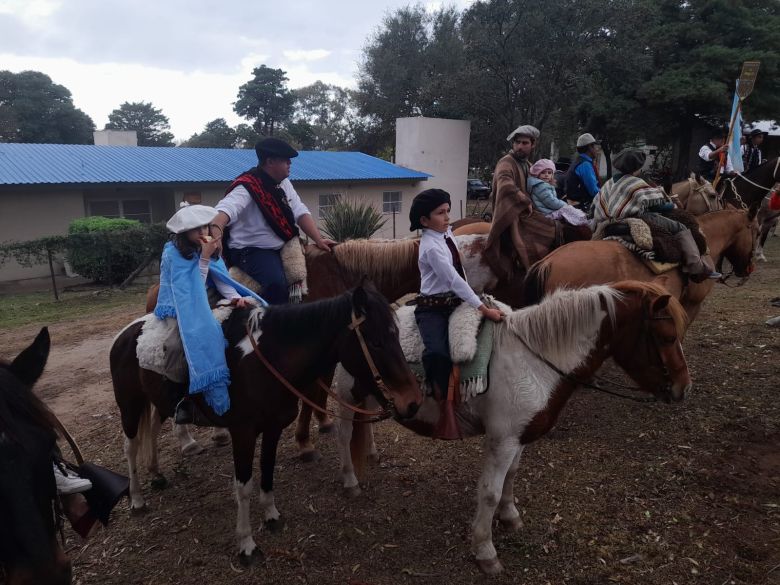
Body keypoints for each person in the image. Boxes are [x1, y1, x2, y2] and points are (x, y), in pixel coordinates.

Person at [154, 204, 264, 424]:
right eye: (196, 229)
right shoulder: (173, 253)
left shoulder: (208, 247)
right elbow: (190, 287)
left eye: (205, 226)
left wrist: (235, 297)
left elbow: (222, 279)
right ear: (183, 232)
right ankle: (180, 399)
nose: (203, 232)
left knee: (250, 318)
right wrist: (204, 258)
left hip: (209, 297)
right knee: (177, 343)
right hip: (180, 302)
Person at [212, 138, 335, 305]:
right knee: (277, 286)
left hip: (283, 245)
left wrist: (318, 239)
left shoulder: (284, 183)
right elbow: (224, 211)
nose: (290, 163)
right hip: (251, 250)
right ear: (270, 161)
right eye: (285, 160)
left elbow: (300, 211)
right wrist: (216, 233)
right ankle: (271, 326)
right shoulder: (246, 187)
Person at [411, 189, 504, 407]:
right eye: (440, 213)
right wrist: (483, 308)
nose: (447, 217)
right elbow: (454, 279)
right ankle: (436, 394)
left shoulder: (447, 234)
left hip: (454, 302)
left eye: (448, 211)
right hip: (433, 308)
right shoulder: (431, 247)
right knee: (437, 352)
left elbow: (459, 267)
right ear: (424, 220)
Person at [593, 149, 721, 281]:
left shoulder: (608, 183)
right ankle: (696, 267)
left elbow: (597, 204)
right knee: (680, 227)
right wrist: (672, 204)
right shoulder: (636, 183)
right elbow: (656, 206)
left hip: (608, 222)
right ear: (637, 167)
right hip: (635, 218)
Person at [484, 125, 558, 281]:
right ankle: (531, 273)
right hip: (512, 213)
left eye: (524, 143)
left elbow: (538, 184)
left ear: (533, 144)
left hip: (526, 210)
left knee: (555, 226)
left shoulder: (529, 165)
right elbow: (505, 184)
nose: (519, 146)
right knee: (536, 234)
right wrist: (524, 200)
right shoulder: (506, 162)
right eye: (517, 142)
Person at [527, 159, 588, 226]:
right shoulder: (541, 186)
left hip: (547, 210)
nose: (546, 175)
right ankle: (582, 221)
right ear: (537, 174)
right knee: (567, 209)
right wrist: (564, 205)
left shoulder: (543, 185)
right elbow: (551, 202)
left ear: (552, 175)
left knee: (568, 209)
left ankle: (582, 218)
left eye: (549, 173)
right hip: (546, 213)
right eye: (543, 172)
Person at [565, 133, 602, 210]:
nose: (597, 149)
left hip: (577, 204)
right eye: (595, 146)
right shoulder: (585, 164)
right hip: (582, 206)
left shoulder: (579, 161)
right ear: (590, 147)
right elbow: (594, 191)